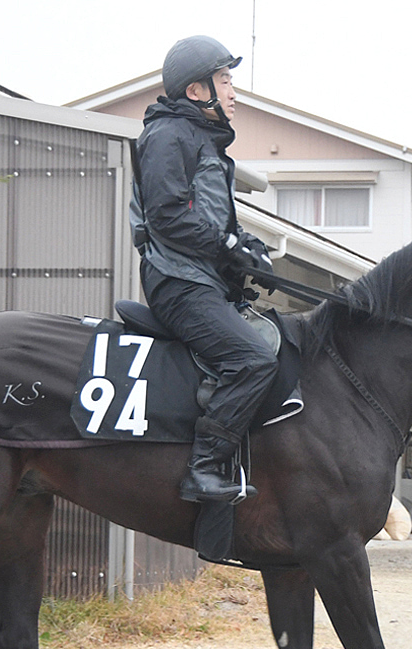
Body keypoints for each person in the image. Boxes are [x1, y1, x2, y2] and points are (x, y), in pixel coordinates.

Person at [130, 35, 278, 504]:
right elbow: (168, 216)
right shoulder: (169, 135)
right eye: (226, 80)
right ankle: (205, 468)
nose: (233, 91)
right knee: (253, 360)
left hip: (201, 279)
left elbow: (212, 220)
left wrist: (248, 248)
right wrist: (230, 246)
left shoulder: (197, 137)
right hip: (179, 283)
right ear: (198, 92)